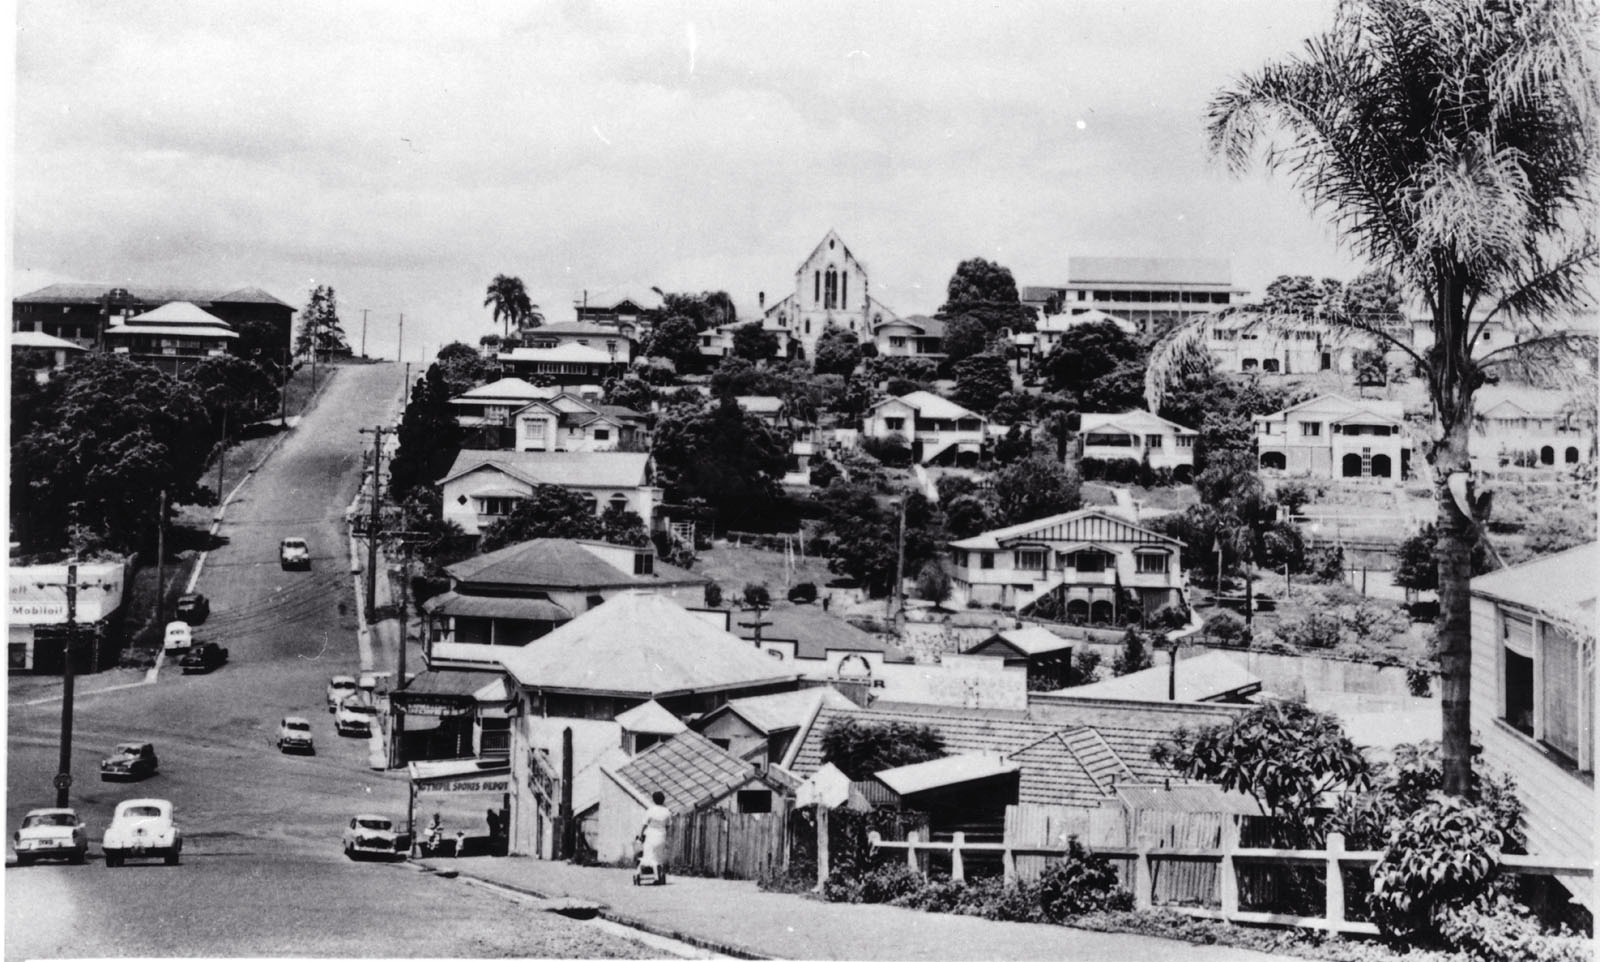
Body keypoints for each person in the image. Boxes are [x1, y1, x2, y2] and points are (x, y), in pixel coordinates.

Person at [637, 790, 670, 874]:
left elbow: (644, 824)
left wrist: (640, 835)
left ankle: (645, 871)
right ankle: (658, 873)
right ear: (663, 800)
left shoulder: (650, 810)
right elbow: (668, 826)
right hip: (661, 836)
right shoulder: (667, 812)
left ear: (653, 800)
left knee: (648, 855)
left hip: (651, 835)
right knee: (658, 857)